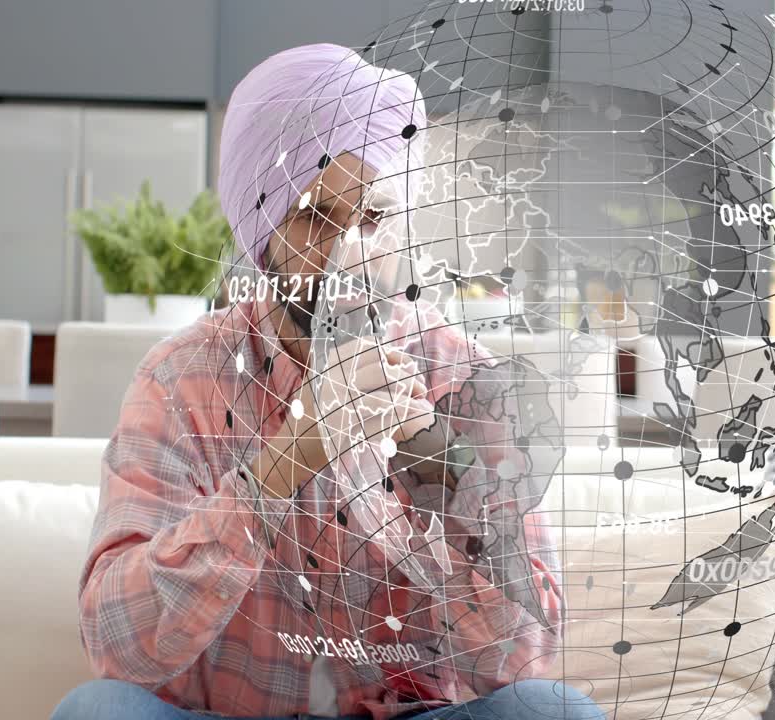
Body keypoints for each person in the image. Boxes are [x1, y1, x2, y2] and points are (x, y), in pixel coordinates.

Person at [50, 44, 602, 720]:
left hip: (413, 712)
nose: (349, 253)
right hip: (225, 714)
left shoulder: (465, 376)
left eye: (372, 217)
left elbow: (524, 659)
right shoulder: (181, 379)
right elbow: (118, 651)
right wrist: (280, 468)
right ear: (265, 231)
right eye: (315, 216)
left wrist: (445, 471)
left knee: (550, 711)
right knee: (97, 711)